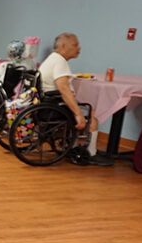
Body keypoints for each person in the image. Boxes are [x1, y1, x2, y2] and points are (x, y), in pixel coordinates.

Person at [37, 33, 112, 166]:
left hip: (47, 103)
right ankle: (91, 153)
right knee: (92, 113)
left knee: (82, 106)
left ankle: (74, 146)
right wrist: (78, 114)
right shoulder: (60, 62)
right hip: (55, 106)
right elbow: (64, 89)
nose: (79, 48)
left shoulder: (53, 59)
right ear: (63, 46)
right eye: (75, 45)